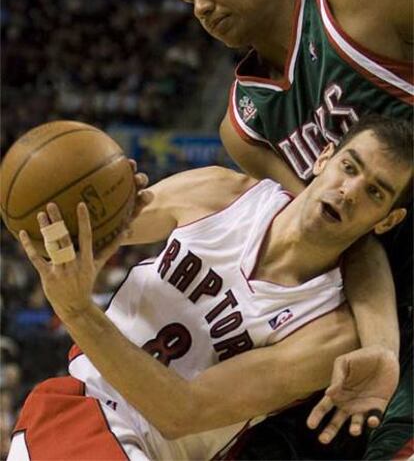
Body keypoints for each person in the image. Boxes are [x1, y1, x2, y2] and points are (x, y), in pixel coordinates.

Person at [7, 116, 413, 460]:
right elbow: (95, 232)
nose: (350, 191)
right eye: (349, 166)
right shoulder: (220, 194)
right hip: (83, 410)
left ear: (387, 221)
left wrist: (79, 312)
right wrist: (88, 201)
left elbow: (181, 412)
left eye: (374, 191)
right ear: (324, 158)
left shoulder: (329, 332)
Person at [166, 0, 413, 460]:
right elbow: (345, 242)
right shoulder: (242, 125)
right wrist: (381, 343)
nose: (202, 7)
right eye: (190, 0)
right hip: (378, 311)